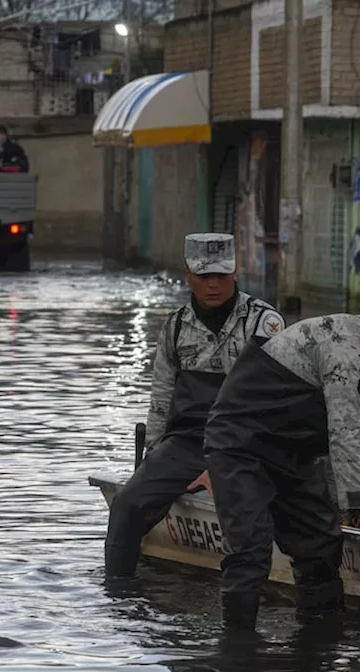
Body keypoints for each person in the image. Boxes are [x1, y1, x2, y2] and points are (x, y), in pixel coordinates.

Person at [203, 285, 360, 630]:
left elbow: (351, 432)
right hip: (239, 444)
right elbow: (344, 431)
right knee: (250, 552)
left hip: (292, 450)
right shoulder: (346, 348)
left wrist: (351, 498)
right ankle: (237, 651)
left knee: (321, 546)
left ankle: (319, 645)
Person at [103, 233, 283, 579]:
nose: (213, 285)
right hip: (186, 443)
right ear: (188, 275)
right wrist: (150, 461)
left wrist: (232, 465)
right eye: (204, 277)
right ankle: (119, 598)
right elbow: (161, 399)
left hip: (245, 444)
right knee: (127, 505)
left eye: (221, 275)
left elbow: (275, 401)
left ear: (235, 273)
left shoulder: (264, 323)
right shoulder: (175, 328)